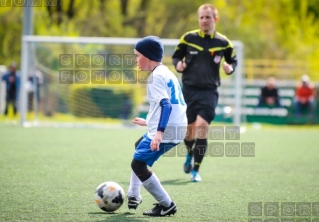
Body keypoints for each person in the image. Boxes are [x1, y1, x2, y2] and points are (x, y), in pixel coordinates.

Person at [172, 3, 237, 182]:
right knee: (188, 132)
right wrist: (178, 64)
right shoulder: (187, 38)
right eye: (201, 17)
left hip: (209, 92)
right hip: (188, 91)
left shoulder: (223, 42)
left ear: (215, 19)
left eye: (208, 17)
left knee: (202, 128)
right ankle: (189, 153)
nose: (204, 21)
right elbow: (176, 56)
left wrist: (229, 67)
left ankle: (195, 170)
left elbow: (233, 60)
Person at [127, 36, 187, 216]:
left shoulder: (155, 77)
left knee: (138, 165)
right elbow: (171, 105)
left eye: (138, 55)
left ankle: (166, 204)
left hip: (167, 130)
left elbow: (166, 105)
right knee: (139, 146)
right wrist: (148, 122)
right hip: (177, 127)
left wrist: (159, 133)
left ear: (147, 55)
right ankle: (134, 194)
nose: (136, 59)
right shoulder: (166, 72)